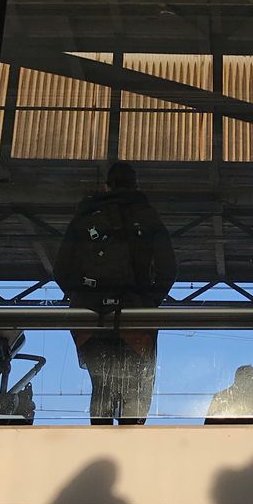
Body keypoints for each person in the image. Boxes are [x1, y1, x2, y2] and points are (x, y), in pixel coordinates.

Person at [54, 161, 175, 424]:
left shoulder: (85, 216)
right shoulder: (147, 215)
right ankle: (131, 452)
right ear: (136, 185)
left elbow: (61, 270)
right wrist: (147, 301)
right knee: (134, 387)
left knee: (102, 387)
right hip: (135, 318)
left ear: (106, 186)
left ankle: (100, 442)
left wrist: (83, 298)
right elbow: (169, 269)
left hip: (90, 320)